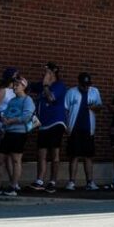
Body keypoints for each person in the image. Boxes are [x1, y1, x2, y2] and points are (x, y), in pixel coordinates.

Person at [0, 76, 35, 197]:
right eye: (14, 84)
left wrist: (11, 121)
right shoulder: (12, 101)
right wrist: (4, 119)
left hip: (19, 133)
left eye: (17, 85)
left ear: (24, 86)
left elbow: (26, 117)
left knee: (16, 160)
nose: (15, 87)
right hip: (8, 132)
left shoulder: (27, 100)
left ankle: (13, 186)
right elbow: (5, 113)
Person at [31, 63, 68, 193]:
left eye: (47, 72)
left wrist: (46, 85)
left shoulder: (59, 85)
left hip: (56, 122)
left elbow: (51, 98)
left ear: (53, 72)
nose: (44, 74)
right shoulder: (41, 85)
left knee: (54, 153)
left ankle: (52, 182)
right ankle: (39, 181)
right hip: (43, 124)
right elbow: (26, 86)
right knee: (41, 153)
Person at [67, 72, 103, 191]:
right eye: (84, 85)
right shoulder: (71, 92)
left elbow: (99, 107)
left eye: (87, 84)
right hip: (75, 128)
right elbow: (65, 109)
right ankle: (71, 182)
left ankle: (90, 182)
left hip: (88, 129)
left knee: (88, 156)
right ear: (79, 83)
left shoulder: (94, 91)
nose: (86, 87)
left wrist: (94, 107)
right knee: (74, 156)